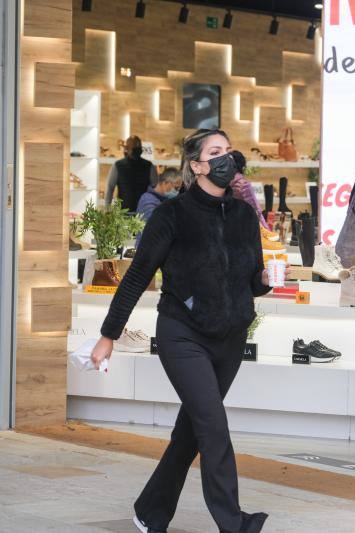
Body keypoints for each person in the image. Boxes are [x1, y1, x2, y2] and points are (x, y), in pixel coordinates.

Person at [90, 129, 273, 533]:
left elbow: (251, 281)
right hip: (183, 334)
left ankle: (150, 511)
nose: (227, 158)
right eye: (216, 152)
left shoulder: (244, 215)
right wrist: (109, 334)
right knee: (214, 427)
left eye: (229, 150)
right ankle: (234, 524)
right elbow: (137, 276)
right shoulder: (171, 215)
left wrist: (265, 280)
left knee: (192, 430)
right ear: (197, 165)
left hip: (229, 338)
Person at [105, 135, 158, 211]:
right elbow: (110, 188)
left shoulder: (149, 166)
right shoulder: (118, 166)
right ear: (127, 149)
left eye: (138, 148)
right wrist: (107, 209)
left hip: (143, 210)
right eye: (134, 148)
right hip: (124, 212)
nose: (136, 150)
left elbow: (155, 188)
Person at [134, 167, 182, 245]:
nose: (177, 192)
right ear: (165, 183)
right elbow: (153, 229)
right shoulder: (148, 200)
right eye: (176, 188)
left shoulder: (163, 200)